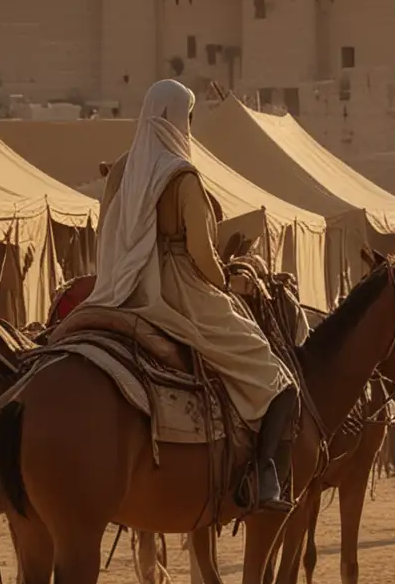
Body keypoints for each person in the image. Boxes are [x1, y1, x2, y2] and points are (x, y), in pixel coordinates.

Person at [93, 79, 300, 510]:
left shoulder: (120, 171)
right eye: (189, 119)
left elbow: (106, 231)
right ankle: (265, 477)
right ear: (177, 120)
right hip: (182, 293)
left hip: (124, 286)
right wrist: (224, 281)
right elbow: (202, 253)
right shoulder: (182, 176)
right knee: (275, 377)